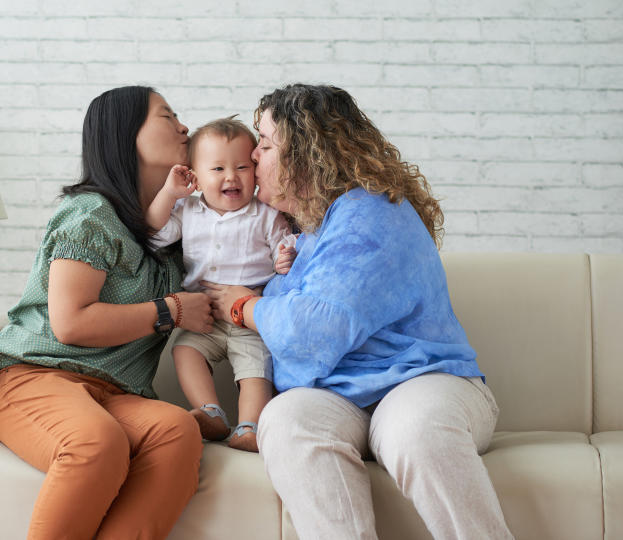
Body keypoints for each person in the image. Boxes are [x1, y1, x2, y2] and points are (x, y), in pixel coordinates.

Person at [203, 84, 514, 540]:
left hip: (420, 380)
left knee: (414, 428)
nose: (252, 154)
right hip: (340, 398)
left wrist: (244, 305)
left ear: (307, 154)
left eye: (265, 144)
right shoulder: (308, 233)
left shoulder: (371, 214)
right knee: (286, 420)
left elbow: (311, 334)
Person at [0, 86, 215, 540]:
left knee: (175, 430)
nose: (184, 127)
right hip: (34, 378)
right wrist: (170, 310)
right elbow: (70, 323)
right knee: (96, 442)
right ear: (125, 135)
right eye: (168, 117)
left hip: (114, 393)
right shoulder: (91, 214)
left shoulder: (175, 229)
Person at [145, 117, 295, 453]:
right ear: (195, 176)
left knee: (255, 370)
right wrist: (170, 193)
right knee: (185, 350)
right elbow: (154, 233)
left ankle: (250, 427)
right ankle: (210, 411)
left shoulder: (266, 215)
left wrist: (285, 259)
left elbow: (287, 249)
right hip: (205, 318)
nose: (231, 176)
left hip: (250, 319)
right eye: (217, 169)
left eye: (242, 166)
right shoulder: (187, 210)